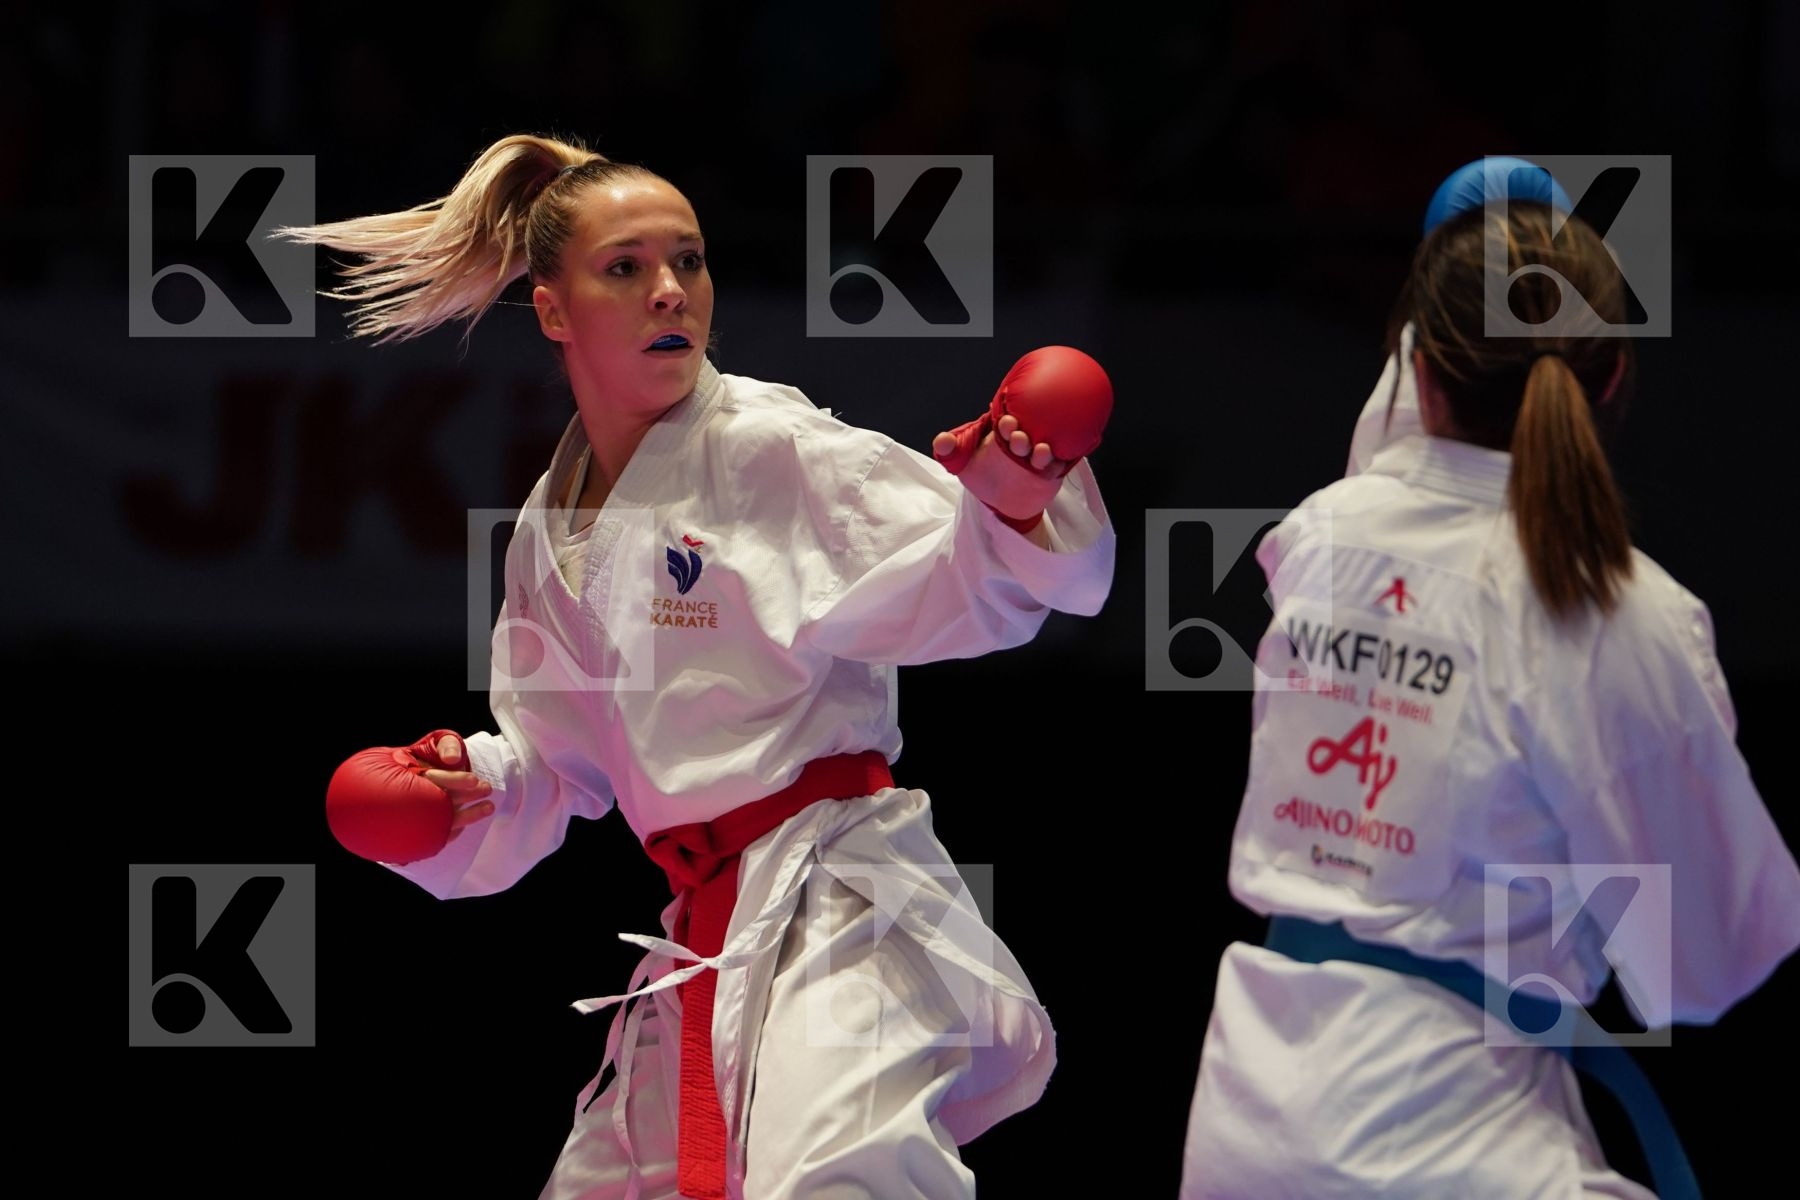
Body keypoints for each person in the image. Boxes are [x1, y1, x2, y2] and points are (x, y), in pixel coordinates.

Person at [279, 133, 1116, 1199]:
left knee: (841, 1186)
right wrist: (465, 795)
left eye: (690, 260)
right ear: (552, 309)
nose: (670, 291)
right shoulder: (548, 525)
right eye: (625, 269)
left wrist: (1010, 504)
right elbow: (560, 759)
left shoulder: (768, 444)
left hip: (839, 898)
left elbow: (971, 586)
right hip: (706, 937)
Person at [1178, 179, 1800, 1197]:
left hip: (1250, 1116)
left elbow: (1407, 448)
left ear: (1420, 369)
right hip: (1450, 1143)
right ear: (1611, 379)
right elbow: (1707, 964)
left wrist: (1457, 273)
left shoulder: (1322, 538)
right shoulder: (1620, 617)